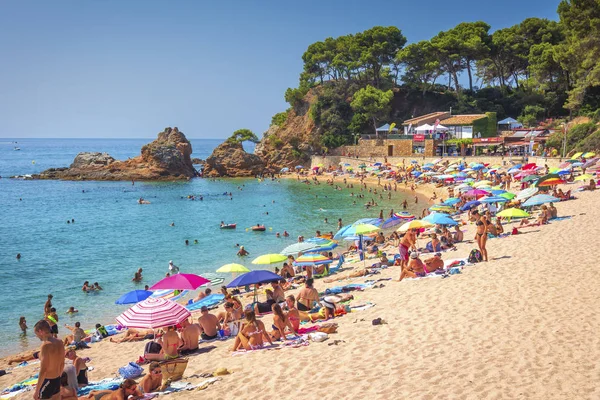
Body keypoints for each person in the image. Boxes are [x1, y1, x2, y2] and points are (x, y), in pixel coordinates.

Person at [33, 320, 65, 400]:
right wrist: (58, 378)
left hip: (48, 381)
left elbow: (43, 370)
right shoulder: (60, 342)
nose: (37, 336)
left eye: (36, 334)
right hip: (57, 379)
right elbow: (62, 363)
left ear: (40, 331)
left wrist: (36, 391)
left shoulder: (45, 345)